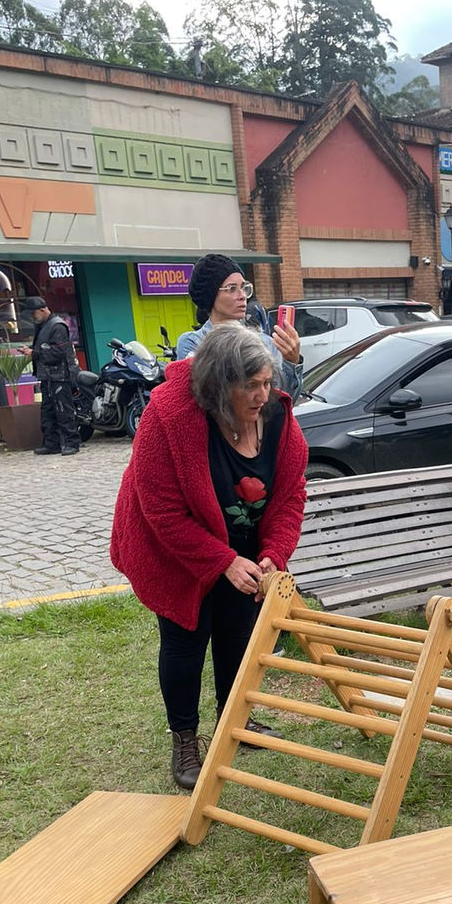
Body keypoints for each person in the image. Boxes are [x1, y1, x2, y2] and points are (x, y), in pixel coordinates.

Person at [110, 323, 308, 791]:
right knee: (184, 641)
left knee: (238, 633)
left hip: (242, 543)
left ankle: (233, 721)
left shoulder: (277, 416)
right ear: (219, 386)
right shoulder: (169, 416)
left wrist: (272, 555)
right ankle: (184, 739)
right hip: (173, 548)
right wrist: (220, 561)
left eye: (267, 382)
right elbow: (161, 510)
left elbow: (289, 496)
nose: (264, 394)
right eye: (251, 386)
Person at [177, 254, 303, 401]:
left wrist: (291, 362)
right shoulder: (194, 343)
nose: (242, 296)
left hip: (262, 424)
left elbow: (285, 402)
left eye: (244, 288)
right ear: (210, 295)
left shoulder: (266, 343)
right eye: (231, 289)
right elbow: (200, 399)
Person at [20, 296, 80, 455]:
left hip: (60, 375)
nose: (32, 317)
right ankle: (51, 443)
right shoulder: (43, 325)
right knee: (47, 410)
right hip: (47, 375)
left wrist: (34, 353)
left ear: (42, 310)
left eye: (33, 313)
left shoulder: (57, 326)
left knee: (63, 410)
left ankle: (72, 443)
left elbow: (59, 352)